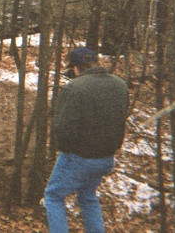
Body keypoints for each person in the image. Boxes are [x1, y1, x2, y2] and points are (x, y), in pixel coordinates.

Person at [44, 47, 129, 233]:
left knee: (53, 196)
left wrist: (66, 150)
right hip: (106, 157)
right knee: (87, 196)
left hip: (81, 157)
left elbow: (63, 128)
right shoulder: (120, 85)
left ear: (75, 68)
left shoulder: (74, 88)